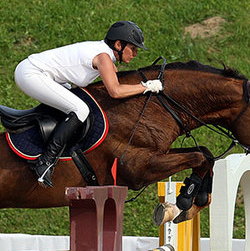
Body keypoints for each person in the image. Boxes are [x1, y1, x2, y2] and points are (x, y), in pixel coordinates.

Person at [14, 20, 164, 187]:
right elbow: (115, 91)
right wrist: (146, 86)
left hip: (41, 74)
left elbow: (116, 80)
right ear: (119, 44)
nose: (135, 54)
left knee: (75, 103)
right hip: (31, 73)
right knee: (80, 109)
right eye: (133, 48)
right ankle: (46, 161)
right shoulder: (103, 57)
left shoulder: (104, 55)